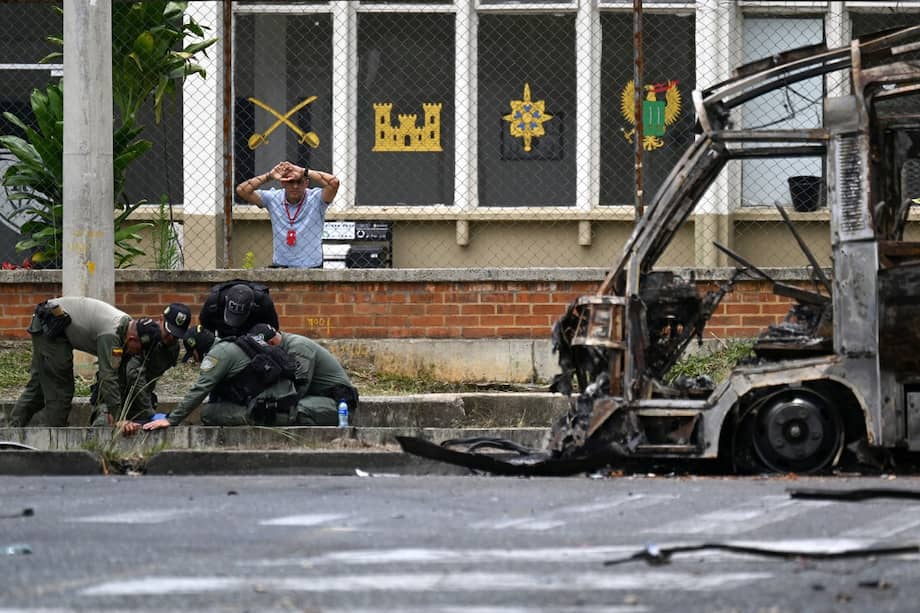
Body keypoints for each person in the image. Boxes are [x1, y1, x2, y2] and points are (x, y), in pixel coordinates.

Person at [9, 297, 160, 427]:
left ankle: (11, 431)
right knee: (60, 388)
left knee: (39, 385)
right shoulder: (112, 335)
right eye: (139, 349)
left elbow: (117, 375)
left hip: (53, 322)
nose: (137, 354)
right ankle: (55, 439)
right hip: (51, 324)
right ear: (133, 339)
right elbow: (108, 377)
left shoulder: (127, 326)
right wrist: (119, 418)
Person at [142, 324, 300, 430]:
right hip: (283, 403)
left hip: (274, 412)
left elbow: (200, 389)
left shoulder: (217, 355)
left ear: (198, 349)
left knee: (208, 413)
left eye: (194, 355)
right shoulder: (231, 344)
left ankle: (259, 419)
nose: (195, 360)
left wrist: (171, 419)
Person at [235, 160, 340, 269]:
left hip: (312, 266)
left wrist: (303, 171)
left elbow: (334, 183)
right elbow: (242, 190)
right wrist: (269, 176)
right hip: (281, 265)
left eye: (299, 181)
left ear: (306, 183)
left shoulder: (316, 199)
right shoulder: (273, 198)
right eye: (290, 182)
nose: (295, 186)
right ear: (283, 183)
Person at [249, 323, 357, 426]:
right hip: (319, 398)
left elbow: (297, 390)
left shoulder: (299, 348)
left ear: (271, 343)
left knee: (296, 410)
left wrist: (270, 403)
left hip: (340, 405)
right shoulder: (284, 346)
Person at [111, 302, 192, 425]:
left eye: (176, 335)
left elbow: (152, 378)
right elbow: (134, 375)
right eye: (168, 332)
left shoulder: (173, 349)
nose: (171, 338)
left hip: (141, 401)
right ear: (160, 319)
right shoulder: (144, 335)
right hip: (116, 396)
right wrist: (150, 413)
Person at [199, 280, 279, 338]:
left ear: (252, 306)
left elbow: (273, 331)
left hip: (253, 340)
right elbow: (205, 327)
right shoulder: (214, 302)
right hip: (224, 339)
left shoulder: (263, 302)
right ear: (226, 300)